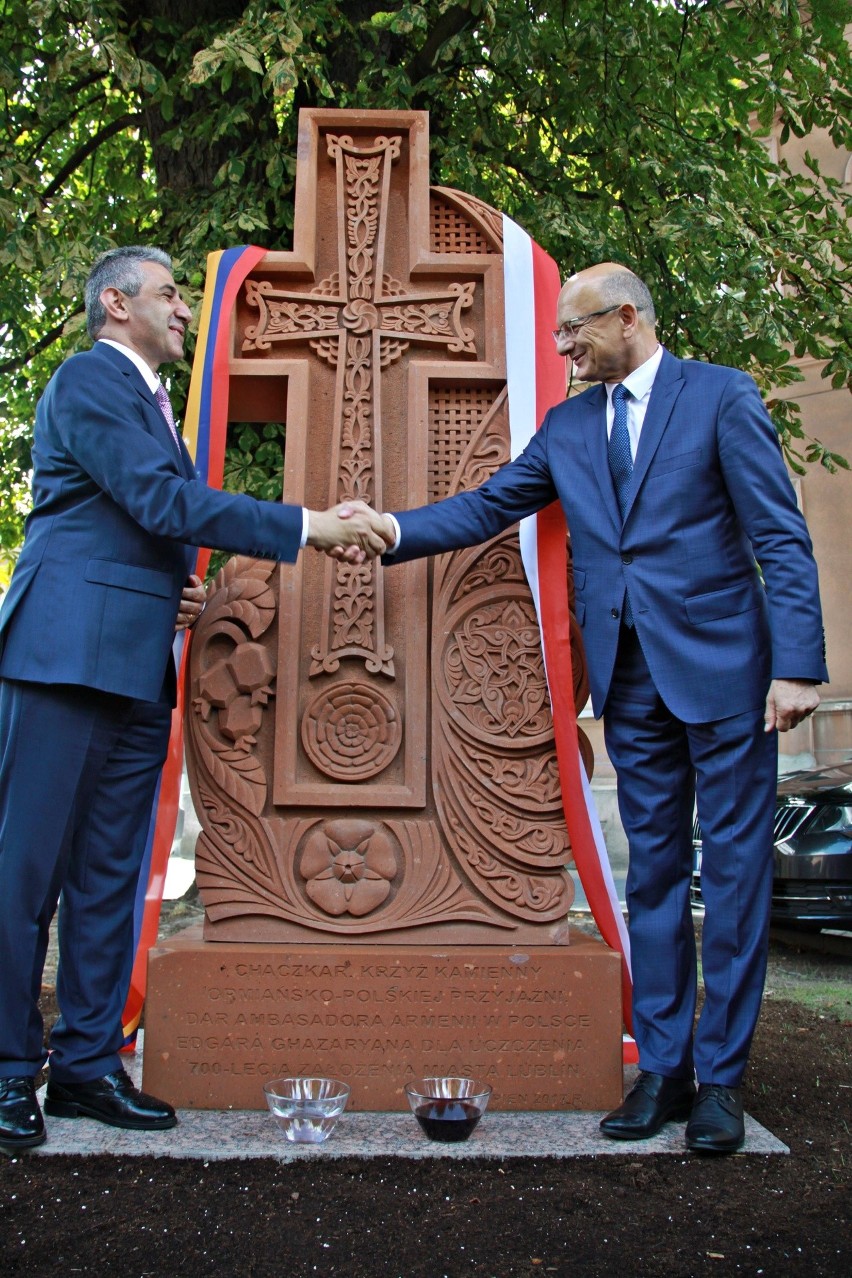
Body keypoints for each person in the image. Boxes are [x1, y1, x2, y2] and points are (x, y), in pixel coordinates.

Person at [358, 262, 827, 1154]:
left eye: (573, 331)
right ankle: (664, 1070)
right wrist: (391, 531)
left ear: (626, 319)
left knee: (731, 881)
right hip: (631, 684)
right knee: (650, 878)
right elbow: (493, 504)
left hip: (730, 678)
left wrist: (797, 668)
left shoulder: (722, 397)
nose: (562, 347)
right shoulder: (569, 426)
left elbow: (778, 534)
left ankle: (721, 1082)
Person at [0, 246, 393, 1155]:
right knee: (24, 877)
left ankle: (89, 1068)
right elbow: (156, 498)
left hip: (140, 668)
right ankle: (10, 1075)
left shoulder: (151, 404)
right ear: (114, 302)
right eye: (169, 294)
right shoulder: (90, 380)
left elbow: (139, 522)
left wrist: (169, 591)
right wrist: (311, 525)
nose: (183, 309)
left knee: (109, 879)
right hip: (62, 657)